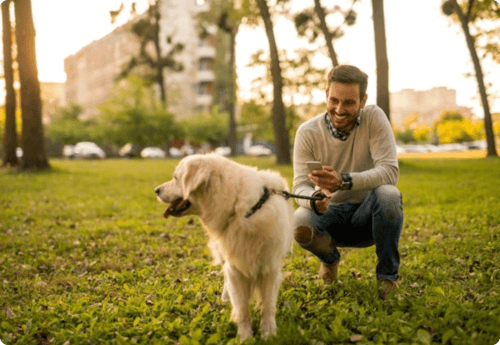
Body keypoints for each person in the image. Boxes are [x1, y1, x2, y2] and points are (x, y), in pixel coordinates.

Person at [292, 65, 403, 299]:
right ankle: (329, 260)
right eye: (334, 100)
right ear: (326, 95)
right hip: (329, 217)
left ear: (363, 100)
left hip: (368, 217)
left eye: (349, 103)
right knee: (299, 222)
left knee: (389, 195)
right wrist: (314, 200)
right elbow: (300, 185)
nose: (339, 110)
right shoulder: (307, 132)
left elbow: (390, 172)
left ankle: (387, 279)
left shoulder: (373, 117)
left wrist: (344, 181)